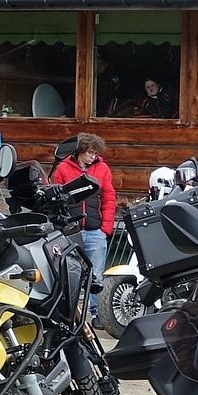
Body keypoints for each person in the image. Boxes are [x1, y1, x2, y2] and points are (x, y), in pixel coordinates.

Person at [50, 132, 117, 321]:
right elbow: (54, 199)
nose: (93, 156)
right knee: (66, 274)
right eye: (90, 153)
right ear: (80, 151)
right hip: (70, 232)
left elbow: (109, 198)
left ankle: (97, 315)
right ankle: (66, 314)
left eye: (95, 153)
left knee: (96, 276)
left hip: (95, 231)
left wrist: (106, 228)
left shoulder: (103, 169)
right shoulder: (63, 168)